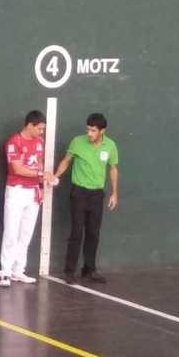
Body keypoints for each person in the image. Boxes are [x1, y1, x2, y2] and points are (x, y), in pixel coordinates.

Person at [53, 112, 119, 284]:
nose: (89, 133)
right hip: (79, 193)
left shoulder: (110, 146)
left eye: (93, 130)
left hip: (97, 195)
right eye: (88, 129)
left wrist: (114, 193)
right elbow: (66, 160)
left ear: (102, 131)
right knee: (77, 232)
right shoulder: (77, 142)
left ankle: (89, 270)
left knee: (93, 233)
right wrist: (56, 175)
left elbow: (113, 169)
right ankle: (69, 271)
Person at [0, 110, 54, 287]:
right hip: (16, 191)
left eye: (43, 129)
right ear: (29, 125)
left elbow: (38, 163)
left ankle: (18, 270)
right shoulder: (14, 142)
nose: (41, 132)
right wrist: (41, 174)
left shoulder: (39, 142)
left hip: (33, 192)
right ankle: (5, 273)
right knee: (11, 232)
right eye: (39, 128)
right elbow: (17, 168)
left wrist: (41, 185)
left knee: (26, 234)